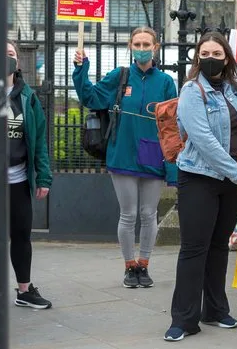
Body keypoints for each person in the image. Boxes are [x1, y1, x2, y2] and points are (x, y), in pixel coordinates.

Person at [73, 27, 177, 288]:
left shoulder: (165, 82)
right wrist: (80, 68)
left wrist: (173, 166)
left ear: (156, 47)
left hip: (153, 154)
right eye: (137, 44)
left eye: (146, 44)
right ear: (130, 46)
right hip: (122, 154)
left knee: (149, 214)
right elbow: (89, 96)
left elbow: (172, 125)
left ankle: (145, 264)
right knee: (128, 215)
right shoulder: (119, 77)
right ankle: (130, 267)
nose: (142, 48)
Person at [165, 32, 237, 342]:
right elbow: (203, 141)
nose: (211, 58)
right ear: (197, 58)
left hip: (232, 182)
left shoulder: (236, 91)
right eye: (205, 52)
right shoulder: (191, 91)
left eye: (217, 52)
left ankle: (215, 310)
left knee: (218, 247)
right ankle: (183, 319)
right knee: (193, 249)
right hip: (200, 179)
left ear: (226, 57)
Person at [6, 40, 53, 309]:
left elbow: (39, 141)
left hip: (17, 180)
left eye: (11, 54)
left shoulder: (28, 97)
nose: (7, 58)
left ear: (18, 62)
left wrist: (44, 177)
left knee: (21, 234)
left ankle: (24, 290)